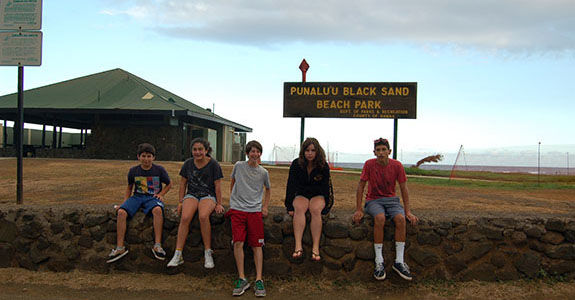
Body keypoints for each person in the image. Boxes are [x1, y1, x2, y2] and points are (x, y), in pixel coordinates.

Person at [353, 138, 419, 281]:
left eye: (384, 150)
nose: (381, 153)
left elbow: (403, 188)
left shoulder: (397, 166)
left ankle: (399, 262)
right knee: (380, 218)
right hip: (373, 200)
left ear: (389, 151)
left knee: (401, 219)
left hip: (392, 201)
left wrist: (408, 211)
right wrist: (359, 209)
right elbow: (360, 186)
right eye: (378, 150)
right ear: (374, 152)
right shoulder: (369, 164)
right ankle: (379, 261)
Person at [107, 143, 172, 263]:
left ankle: (157, 245)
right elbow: (129, 187)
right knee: (121, 212)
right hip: (137, 197)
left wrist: (161, 194)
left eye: (149, 156)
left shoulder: (159, 170)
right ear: (138, 157)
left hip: (152, 197)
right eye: (143, 156)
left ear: (153, 157)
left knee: (157, 210)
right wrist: (125, 203)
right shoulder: (133, 171)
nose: (146, 159)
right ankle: (120, 247)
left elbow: (169, 184)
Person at [167, 138, 225, 268]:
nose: (197, 152)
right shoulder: (188, 164)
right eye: (195, 149)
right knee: (185, 217)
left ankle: (207, 252)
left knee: (203, 216)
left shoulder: (213, 164)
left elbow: (218, 186)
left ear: (206, 150)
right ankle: (178, 253)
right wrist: (181, 201)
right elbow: (183, 184)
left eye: (200, 149)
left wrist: (219, 203)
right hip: (192, 194)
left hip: (208, 195)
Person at [226, 140, 271, 297]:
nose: (255, 154)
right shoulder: (238, 166)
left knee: (257, 245)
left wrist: (264, 207)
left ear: (260, 154)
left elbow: (268, 189)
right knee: (238, 242)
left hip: (254, 212)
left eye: (257, 151)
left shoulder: (263, 172)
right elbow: (232, 182)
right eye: (252, 151)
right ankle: (242, 278)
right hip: (238, 210)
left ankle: (259, 279)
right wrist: (233, 200)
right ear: (247, 153)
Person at [285, 137, 333, 262]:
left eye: (313, 150)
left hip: (318, 195)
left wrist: (327, 206)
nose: (310, 153)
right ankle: (298, 246)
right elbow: (291, 185)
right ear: (303, 152)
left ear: (317, 151)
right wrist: (289, 206)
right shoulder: (296, 164)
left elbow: (327, 187)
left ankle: (315, 247)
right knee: (299, 209)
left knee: (315, 210)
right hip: (301, 194)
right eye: (307, 150)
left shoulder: (323, 166)